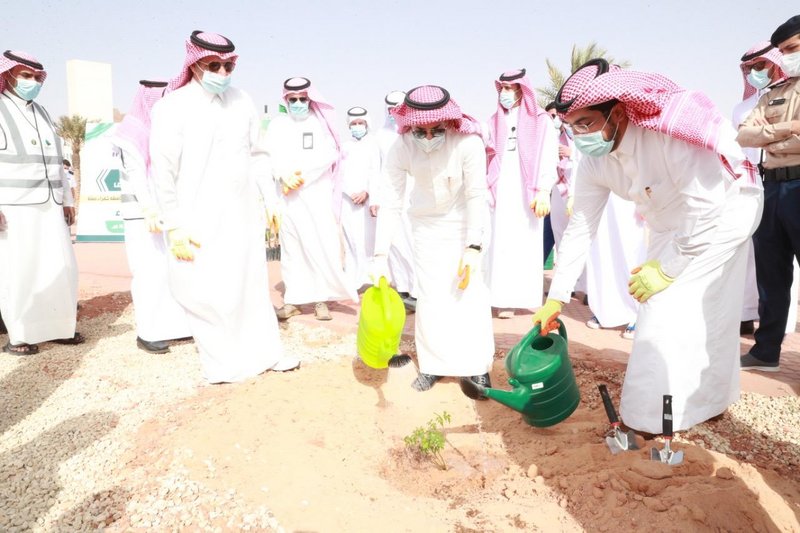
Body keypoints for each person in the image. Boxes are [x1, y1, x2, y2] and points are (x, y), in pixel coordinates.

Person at [533, 59, 762, 434]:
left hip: (725, 213)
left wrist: (666, 268)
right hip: (670, 224)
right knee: (702, 312)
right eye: (571, 127)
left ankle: (645, 420)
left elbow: (706, 211)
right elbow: (582, 226)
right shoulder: (594, 162)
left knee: (663, 308)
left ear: (619, 113)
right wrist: (556, 298)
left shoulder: (668, 136)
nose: (579, 136)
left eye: (586, 123)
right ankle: (708, 402)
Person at [149, 30, 298, 383]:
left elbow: (258, 154)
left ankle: (266, 353)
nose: (222, 72)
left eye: (228, 65)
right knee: (205, 288)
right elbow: (163, 170)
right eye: (214, 65)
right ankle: (222, 364)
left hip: (243, 212)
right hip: (195, 215)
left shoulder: (242, 100)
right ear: (195, 64)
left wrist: (270, 199)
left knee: (249, 282)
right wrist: (174, 225)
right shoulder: (172, 105)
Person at [372, 85, 494, 391]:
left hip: (466, 223)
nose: (428, 138)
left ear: (449, 123)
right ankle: (433, 365)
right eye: (420, 131)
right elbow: (391, 200)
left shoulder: (468, 143)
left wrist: (474, 246)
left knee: (469, 295)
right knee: (431, 296)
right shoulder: (401, 147)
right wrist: (379, 255)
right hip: (426, 226)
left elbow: (477, 195)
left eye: (435, 130)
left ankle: (476, 366)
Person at [0, 50, 85, 354]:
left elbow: (56, 161)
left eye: (37, 77)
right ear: (8, 74)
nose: (32, 82)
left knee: (58, 266)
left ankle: (59, 327)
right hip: (13, 205)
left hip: (50, 204)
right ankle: (20, 336)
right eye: (26, 75)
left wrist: (66, 199)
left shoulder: (43, 112)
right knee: (19, 270)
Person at [737, 15, 800, 372]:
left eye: (792, 49)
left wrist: (771, 132)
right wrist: (789, 130)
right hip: (772, 187)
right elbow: (745, 135)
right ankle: (766, 351)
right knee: (771, 275)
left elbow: (761, 134)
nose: (786, 57)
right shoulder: (773, 93)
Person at [266, 77, 357, 321]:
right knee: (293, 247)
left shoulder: (320, 124)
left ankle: (321, 300)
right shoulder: (277, 125)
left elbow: (330, 155)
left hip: (317, 195)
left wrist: (303, 176)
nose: (298, 103)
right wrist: (283, 175)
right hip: (288, 198)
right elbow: (270, 156)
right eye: (293, 99)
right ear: (286, 100)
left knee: (320, 244)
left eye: (302, 99)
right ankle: (294, 299)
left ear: (310, 99)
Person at [112, 79, 191, 354]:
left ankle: (177, 328)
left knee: (172, 271)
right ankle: (148, 332)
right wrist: (149, 210)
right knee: (149, 274)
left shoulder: (168, 130)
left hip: (168, 214)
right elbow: (136, 176)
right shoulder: (131, 132)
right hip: (142, 217)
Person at [485, 69, 558, 319]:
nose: (504, 92)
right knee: (500, 243)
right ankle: (501, 298)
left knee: (525, 243)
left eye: (510, 88)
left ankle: (522, 297)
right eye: (502, 88)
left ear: (521, 90)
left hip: (530, 193)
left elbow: (549, 156)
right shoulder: (493, 120)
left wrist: (545, 191)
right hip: (501, 192)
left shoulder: (541, 121)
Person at [374, 90, 417, 309]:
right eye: (390, 108)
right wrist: (375, 197)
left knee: (413, 242)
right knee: (395, 244)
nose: (393, 113)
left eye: (397, 108)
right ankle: (402, 289)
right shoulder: (381, 136)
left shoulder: (416, 132)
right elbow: (375, 168)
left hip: (414, 196)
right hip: (390, 197)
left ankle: (418, 290)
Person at [340, 106, 380, 290]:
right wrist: (350, 193)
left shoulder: (374, 144)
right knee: (351, 240)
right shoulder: (344, 147)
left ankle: (371, 279)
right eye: (354, 124)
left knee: (369, 240)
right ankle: (352, 279)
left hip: (368, 200)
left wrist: (367, 192)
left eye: (360, 123)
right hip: (348, 200)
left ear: (367, 124)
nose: (357, 126)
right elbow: (339, 173)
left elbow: (376, 171)